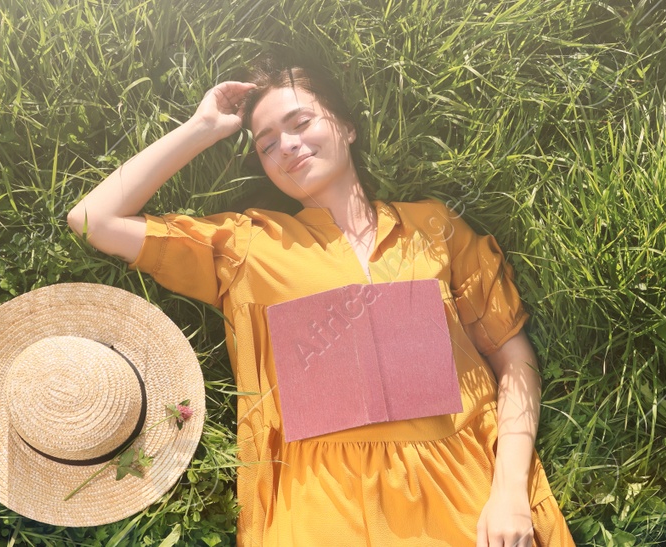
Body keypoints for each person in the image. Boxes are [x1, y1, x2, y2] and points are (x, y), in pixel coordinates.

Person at [66, 57, 574, 547]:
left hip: (465, 493)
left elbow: (513, 359)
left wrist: (509, 491)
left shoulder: (432, 228)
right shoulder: (250, 246)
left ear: (347, 127)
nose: (286, 145)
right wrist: (202, 127)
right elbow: (93, 219)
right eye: (266, 145)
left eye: (300, 122)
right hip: (320, 511)